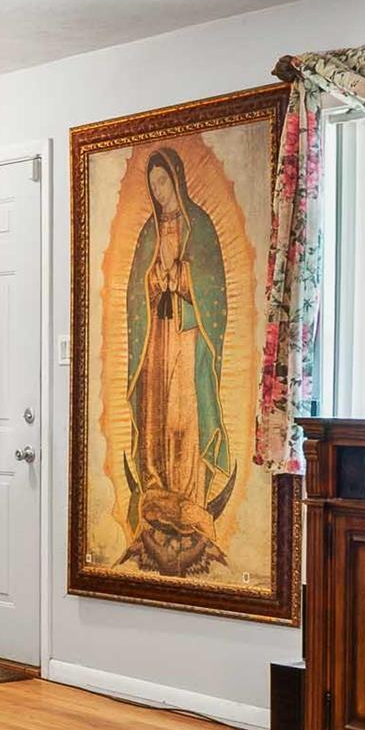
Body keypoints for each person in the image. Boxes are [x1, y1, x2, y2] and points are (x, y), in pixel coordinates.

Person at [123, 146, 232, 575]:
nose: (158, 190)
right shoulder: (149, 233)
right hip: (157, 338)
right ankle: (156, 490)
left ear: (178, 180)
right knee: (155, 415)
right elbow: (136, 291)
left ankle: (188, 496)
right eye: (152, 185)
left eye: (163, 182)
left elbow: (215, 292)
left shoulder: (200, 227)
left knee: (184, 413)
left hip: (187, 337)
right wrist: (156, 278)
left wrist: (182, 276)